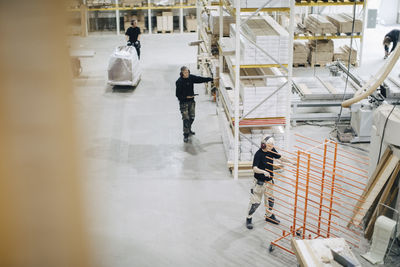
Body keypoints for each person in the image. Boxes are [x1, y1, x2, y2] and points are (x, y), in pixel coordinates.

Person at [245, 135, 293, 230]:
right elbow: (254, 168)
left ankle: (269, 216)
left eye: (272, 145)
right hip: (259, 183)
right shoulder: (258, 154)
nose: (271, 147)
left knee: (270, 200)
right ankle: (249, 218)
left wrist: (291, 162)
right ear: (263, 145)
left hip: (269, 182)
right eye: (269, 145)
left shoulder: (271, 150)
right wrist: (263, 171)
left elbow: (279, 157)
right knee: (255, 203)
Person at [175, 66, 215, 143]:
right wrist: (186, 96)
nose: (187, 74)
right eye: (185, 73)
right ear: (182, 73)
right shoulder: (179, 82)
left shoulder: (191, 77)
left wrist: (211, 79)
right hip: (184, 103)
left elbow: (200, 79)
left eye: (188, 72)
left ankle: (188, 129)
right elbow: (177, 95)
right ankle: (185, 135)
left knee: (192, 117)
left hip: (191, 102)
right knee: (186, 119)